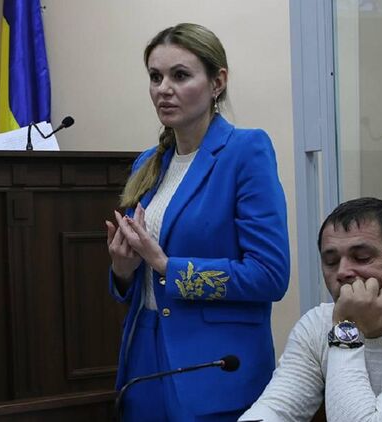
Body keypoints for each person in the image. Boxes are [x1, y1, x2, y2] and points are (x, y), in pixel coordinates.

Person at [106, 23, 290, 421]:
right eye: (155, 77)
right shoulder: (147, 163)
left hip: (216, 365)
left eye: (180, 75)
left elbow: (270, 276)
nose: (164, 89)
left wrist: (167, 267)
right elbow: (141, 283)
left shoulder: (245, 151)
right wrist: (122, 270)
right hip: (145, 354)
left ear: (217, 82)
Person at [240, 197, 382, 422]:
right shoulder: (316, 325)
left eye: (362, 258)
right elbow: (274, 410)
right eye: (331, 262)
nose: (343, 272)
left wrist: (346, 328)